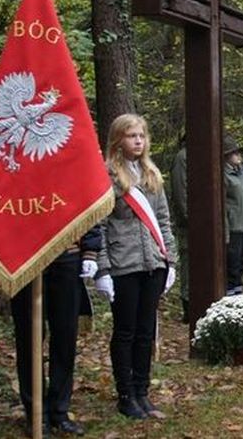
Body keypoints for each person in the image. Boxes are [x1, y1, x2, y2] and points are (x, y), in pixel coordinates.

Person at [95, 114, 178, 419]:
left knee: (146, 331)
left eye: (141, 135)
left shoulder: (152, 175)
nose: (138, 141)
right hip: (123, 265)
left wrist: (169, 262)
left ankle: (142, 391)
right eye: (131, 136)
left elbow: (165, 222)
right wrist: (103, 269)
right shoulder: (106, 177)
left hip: (153, 264)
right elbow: (100, 227)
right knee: (126, 331)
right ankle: (126, 393)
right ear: (118, 140)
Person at [10, 227, 101, 437]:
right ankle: (35, 412)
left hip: (66, 256)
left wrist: (90, 251)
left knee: (65, 338)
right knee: (29, 339)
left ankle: (59, 410)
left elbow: (88, 203)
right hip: (24, 258)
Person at [223, 135, 243, 295]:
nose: (238, 156)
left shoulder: (241, 174)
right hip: (234, 226)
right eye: (234, 153)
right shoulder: (224, 176)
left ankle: (238, 293)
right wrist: (226, 231)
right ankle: (232, 296)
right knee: (232, 265)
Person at [170, 134, 190, 322]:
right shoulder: (183, 157)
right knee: (189, 263)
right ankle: (188, 305)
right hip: (189, 223)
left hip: (202, 220)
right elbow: (180, 189)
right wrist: (188, 217)